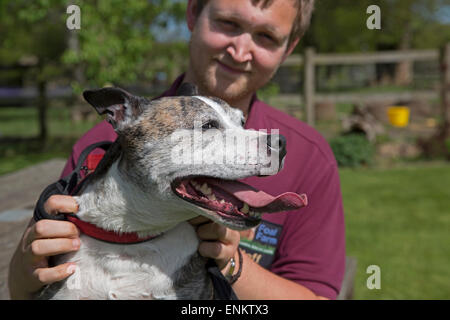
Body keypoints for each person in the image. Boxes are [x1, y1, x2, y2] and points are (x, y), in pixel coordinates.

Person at [9, 0, 345, 300]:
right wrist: (28, 266)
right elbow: (22, 287)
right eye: (228, 23)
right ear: (193, 13)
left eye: (267, 37)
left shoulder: (310, 157)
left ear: (290, 48)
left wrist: (231, 264)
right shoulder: (102, 146)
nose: (241, 51)